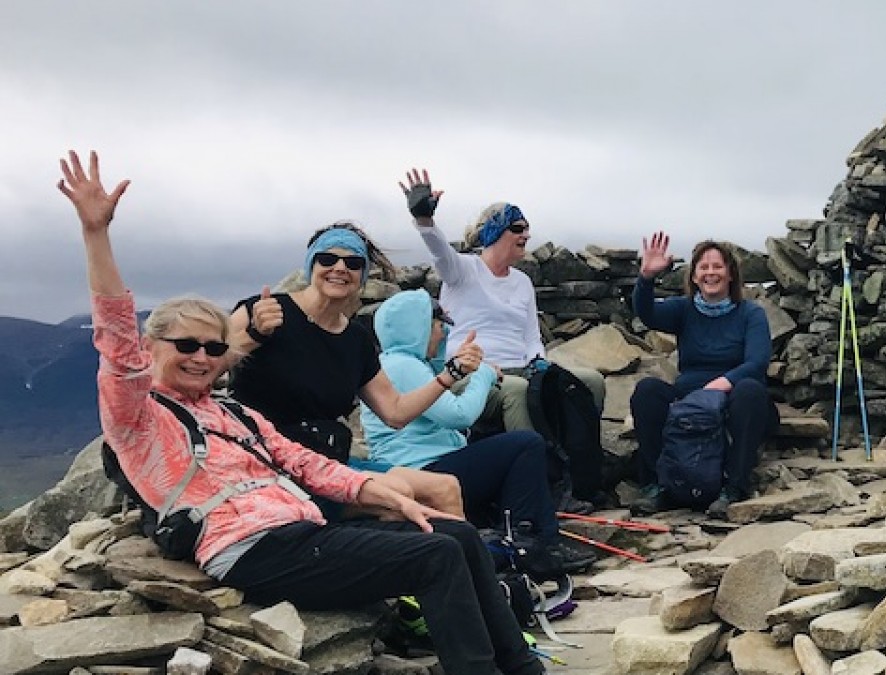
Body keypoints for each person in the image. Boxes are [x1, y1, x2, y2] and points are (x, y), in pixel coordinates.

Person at [60, 151, 543, 675]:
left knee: (457, 533)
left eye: (212, 348)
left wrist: (392, 499)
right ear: (151, 349)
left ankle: (522, 667)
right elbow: (114, 340)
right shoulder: (140, 416)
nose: (202, 357)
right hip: (248, 546)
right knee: (438, 555)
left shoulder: (236, 415)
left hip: (302, 527)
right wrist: (95, 234)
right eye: (186, 345)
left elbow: (312, 466)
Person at [223, 220, 465, 519]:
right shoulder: (264, 311)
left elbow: (395, 412)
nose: (340, 268)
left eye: (353, 262)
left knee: (445, 488)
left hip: (329, 460)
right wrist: (255, 335)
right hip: (267, 460)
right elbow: (207, 366)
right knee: (398, 496)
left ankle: (477, 564)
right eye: (327, 259)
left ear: (362, 275)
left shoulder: (356, 339)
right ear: (311, 265)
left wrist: (449, 375)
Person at [400, 170, 609, 506]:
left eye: (527, 228)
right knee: (519, 393)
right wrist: (424, 219)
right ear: (496, 232)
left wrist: (538, 360)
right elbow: (439, 252)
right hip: (471, 372)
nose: (526, 234)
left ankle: (584, 476)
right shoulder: (463, 271)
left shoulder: (522, 282)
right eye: (517, 228)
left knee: (590, 382)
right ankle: (539, 489)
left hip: (522, 366)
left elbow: (530, 335)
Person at [361, 290, 595, 578]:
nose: (443, 331)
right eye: (437, 324)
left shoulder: (395, 363)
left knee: (501, 452)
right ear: (417, 327)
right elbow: (459, 415)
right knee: (525, 446)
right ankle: (538, 544)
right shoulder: (404, 366)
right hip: (423, 470)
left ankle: (522, 537)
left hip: (417, 465)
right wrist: (483, 375)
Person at [626, 234, 773, 518]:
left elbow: (757, 362)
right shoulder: (683, 309)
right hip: (691, 396)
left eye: (717, 267)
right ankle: (657, 486)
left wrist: (723, 383)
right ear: (693, 276)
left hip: (736, 395)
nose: (710, 273)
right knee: (648, 391)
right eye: (703, 268)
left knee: (751, 391)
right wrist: (645, 278)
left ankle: (733, 488)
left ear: (731, 274)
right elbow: (646, 313)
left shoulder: (750, 314)